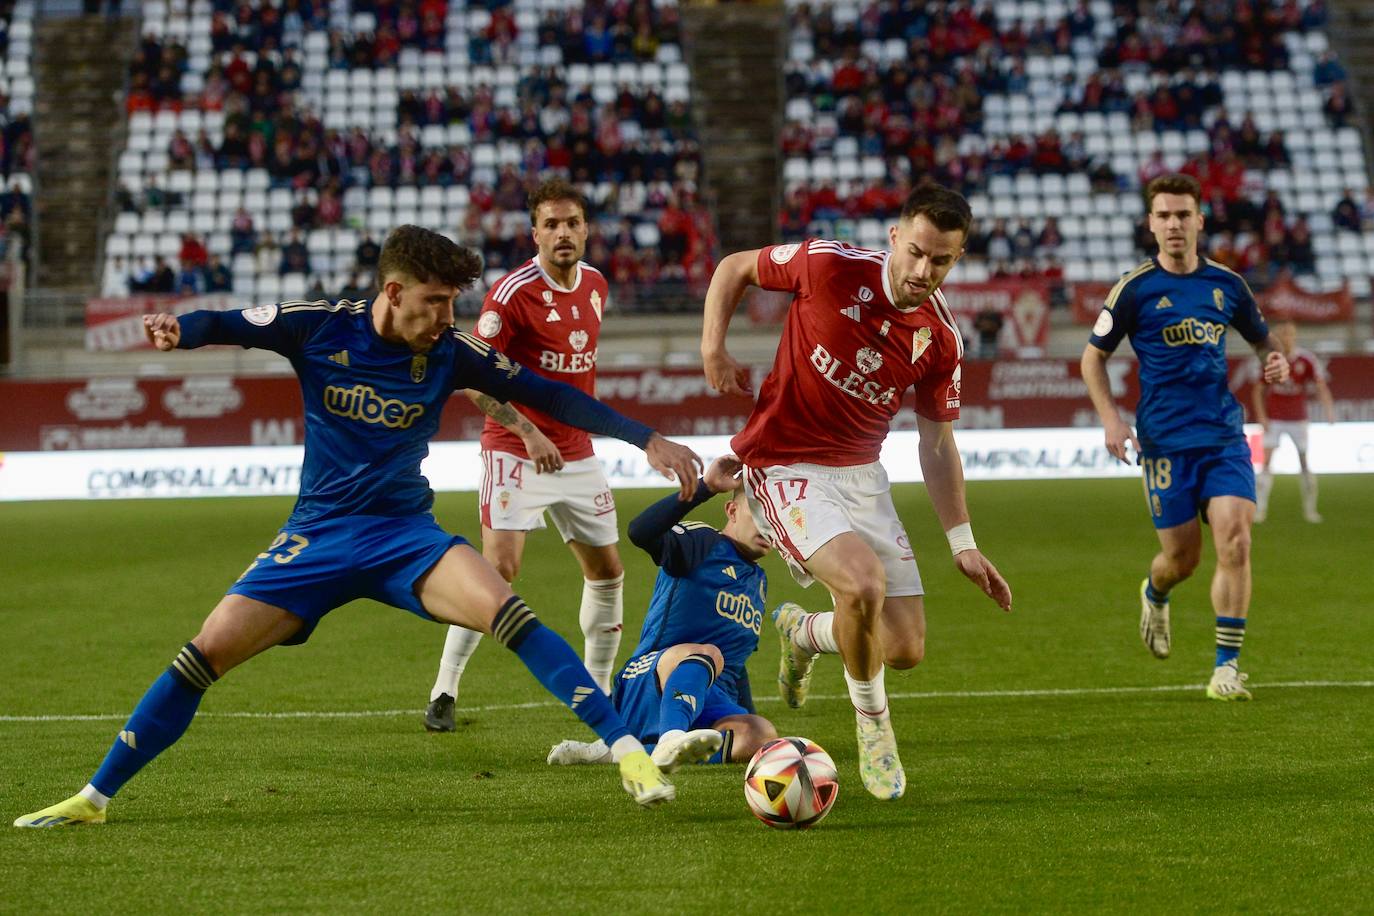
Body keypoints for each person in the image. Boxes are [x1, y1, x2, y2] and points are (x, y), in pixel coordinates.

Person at [13, 226, 704, 828]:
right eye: (434, 302)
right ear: (394, 290)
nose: (446, 317)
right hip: (316, 538)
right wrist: (181, 329)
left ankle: (629, 755)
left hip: (404, 534)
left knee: (506, 609)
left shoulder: (452, 350)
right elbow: (231, 322)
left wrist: (645, 440)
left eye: (452, 303)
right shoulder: (319, 326)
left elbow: (548, 392)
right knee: (203, 654)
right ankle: (93, 796)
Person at [700, 183, 1013, 801]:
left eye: (942, 260)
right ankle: (875, 732)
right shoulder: (829, 266)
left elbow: (937, 445)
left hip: (862, 477)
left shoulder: (940, 338)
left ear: (958, 259)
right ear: (895, 238)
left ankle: (804, 633)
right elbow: (734, 267)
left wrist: (963, 543)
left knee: (902, 647)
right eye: (917, 252)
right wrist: (713, 345)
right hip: (785, 466)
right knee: (862, 583)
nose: (925, 271)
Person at [423, 179, 628, 733]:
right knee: (499, 572)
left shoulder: (597, 287)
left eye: (573, 223)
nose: (563, 233)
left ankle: (601, 693)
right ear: (534, 232)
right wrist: (528, 431)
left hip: (577, 454)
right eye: (552, 225)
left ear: (586, 230)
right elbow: (473, 377)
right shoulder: (512, 294)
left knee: (607, 571)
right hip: (516, 449)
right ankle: (445, 686)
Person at [1080, 173, 1289, 704]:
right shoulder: (1135, 289)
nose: (1174, 224)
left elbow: (1263, 342)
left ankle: (1226, 667)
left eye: (1183, 214)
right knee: (1182, 561)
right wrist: (1110, 419)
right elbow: (1093, 358)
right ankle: (1156, 592)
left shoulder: (1227, 285)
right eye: (1164, 215)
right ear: (1151, 224)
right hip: (1165, 444)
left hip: (1222, 436)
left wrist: (1274, 361)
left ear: (1200, 220)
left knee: (1237, 540)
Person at [546, 455, 779, 771]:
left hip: (706, 696)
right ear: (732, 510)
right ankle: (670, 737)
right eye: (760, 514)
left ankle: (628, 749)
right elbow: (641, 531)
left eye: (776, 519)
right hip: (649, 681)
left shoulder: (758, 581)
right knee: (707, 653)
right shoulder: (703, 543)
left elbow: (736, 663)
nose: (769, 527)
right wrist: (704, 488)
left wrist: (745, 717)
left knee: (761, 733)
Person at [1251, 318, 1336, 523]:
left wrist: (1329, 410)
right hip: (1275, 418)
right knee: (1267, 463)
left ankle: (1310, 510)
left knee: (1304, 462)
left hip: (1298, 419)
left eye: (1290, 334)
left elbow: (1320, 386)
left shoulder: (1305, 359)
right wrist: (1261, 416)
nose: (1287, 339)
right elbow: (1258, 390)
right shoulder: (1271, 360)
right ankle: (1260, 510)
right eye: (1283, 335)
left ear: (1294, 337)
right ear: (1278, 337)